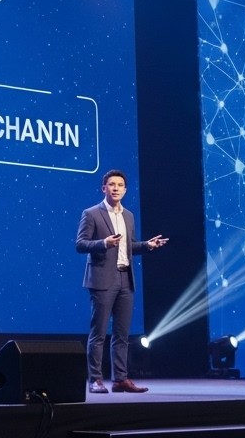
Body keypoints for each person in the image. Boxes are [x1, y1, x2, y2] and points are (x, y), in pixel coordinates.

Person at [75, 168, 168, 394]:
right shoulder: (91, 213)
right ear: (103, 188)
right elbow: (80, 244)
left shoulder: (128, 215)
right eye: (111, 185)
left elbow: (128, 246)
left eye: (120, 185)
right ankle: (95, 380)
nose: (115, 188)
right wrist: (103, 243)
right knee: (99, 333)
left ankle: (120, 379)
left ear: (125, 190)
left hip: (125, 278)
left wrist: (146, 246)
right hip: (102, 279)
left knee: (122, 334)